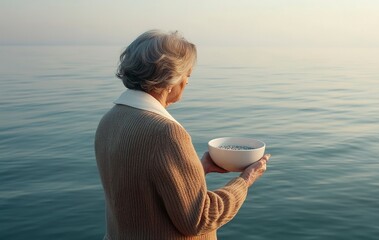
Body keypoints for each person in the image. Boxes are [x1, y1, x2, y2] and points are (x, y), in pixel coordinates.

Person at [95, 29, 271, 240]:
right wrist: (245, 180)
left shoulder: (110, 119)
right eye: (187, 75)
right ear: (171, 79)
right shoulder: (166, 132)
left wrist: (199, 169)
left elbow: (140, 187)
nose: (187, 82)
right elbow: (199, 218)